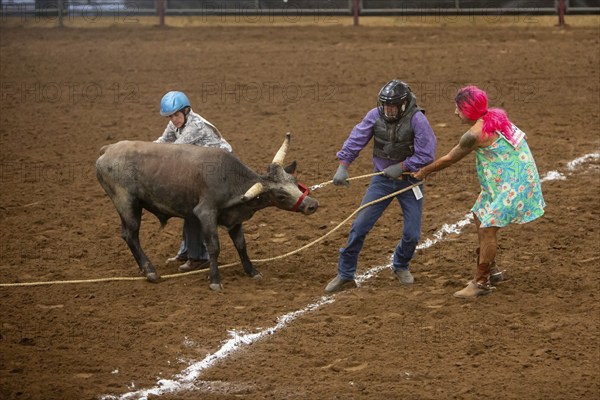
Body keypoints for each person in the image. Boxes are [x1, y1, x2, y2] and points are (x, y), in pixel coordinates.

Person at [412, 85, 545, 298]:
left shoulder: (473, 135)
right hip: (512, 178)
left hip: (513, 183)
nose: (455, 112)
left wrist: (424, 171)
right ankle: (491, 269)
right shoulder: (497, 117)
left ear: (468, 110)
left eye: (458, 108)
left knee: (487, 229)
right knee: (479, 213)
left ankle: (481, 282)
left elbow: (450, 158)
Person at [325, 80, 437, 293]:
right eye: (385, 105)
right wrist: (343, 165)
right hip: (382, 180)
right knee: (359, 226)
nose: (388, 110)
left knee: (412, 233)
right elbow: (357, 138)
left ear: (404, 105)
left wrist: (404, 165)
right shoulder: (374, 115)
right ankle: (345, 274)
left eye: (393, 106)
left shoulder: (418, 120)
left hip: (409, 181)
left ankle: (401, 265)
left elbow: (427, 154)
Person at [154, 91, 233, 273]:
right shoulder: (174, 124)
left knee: (196, 209)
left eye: (176, 115)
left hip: (220, 169)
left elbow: (174, 151)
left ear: (186, 110)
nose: (173, 119)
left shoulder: (195, 126)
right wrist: (141, 151)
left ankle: (199, 257)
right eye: (170, 116)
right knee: (190, 207)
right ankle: (188, 251)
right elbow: (162, 142)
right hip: (203, 168)